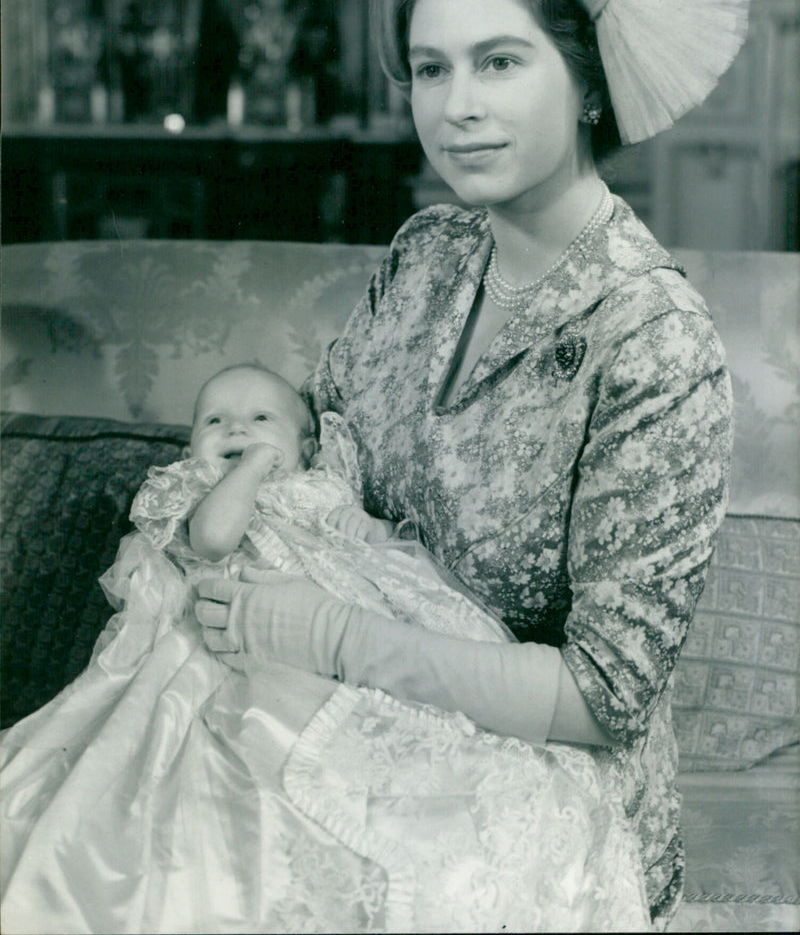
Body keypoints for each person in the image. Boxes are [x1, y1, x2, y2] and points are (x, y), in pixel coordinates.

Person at [192, 0, 750, 932]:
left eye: (499, 61)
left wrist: (325, 631)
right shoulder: (427, 256)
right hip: (349, 726)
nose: (457, 106)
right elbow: (328, 471)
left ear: (583, 84)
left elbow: (601, 699)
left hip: (539, 805)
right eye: (432, 69)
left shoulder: (652, 340)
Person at [0, 363, 651, 933]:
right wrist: (252, 468)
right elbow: (215, 539)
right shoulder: (200, 491)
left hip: (321, 652)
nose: (235, 430)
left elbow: (379, 550)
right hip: (227, 659)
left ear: (307, 444)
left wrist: (388, 558)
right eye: (214, 420)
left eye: (260, 418)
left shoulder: (320, 492)